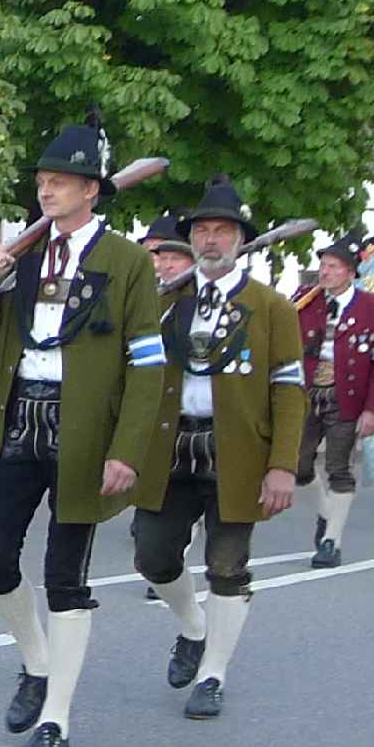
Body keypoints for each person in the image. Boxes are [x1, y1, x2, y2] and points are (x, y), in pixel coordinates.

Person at [0, 114, 164, 747]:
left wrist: (126, 450)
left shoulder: (127, 262)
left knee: (64, 578)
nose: (46, 191)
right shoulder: (24, 254)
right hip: (20, 418)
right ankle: (36, 662)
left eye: (61, 182)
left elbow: (148, 364)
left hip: (86, 428)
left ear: (91, 190)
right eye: (43, 181)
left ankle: (56, 720)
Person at [125, 180, 304, 719]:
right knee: (152, 556)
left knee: (227, 565)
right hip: (170, 445)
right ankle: (193, 627)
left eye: (222, 231)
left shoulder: (271, 307)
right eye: (202, 231)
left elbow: (288, 389)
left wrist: (282, 466)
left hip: (239, 451)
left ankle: (213, 674)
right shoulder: (165, 301)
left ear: (240, 240)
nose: (211, 240)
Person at [294, 237, 374, 567]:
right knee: (298, 466)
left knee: (339, 467)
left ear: (350, 273)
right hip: (307, 393)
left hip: (347, 396)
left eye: (333, 266)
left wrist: (373, 410)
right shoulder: (306, 301)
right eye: (323, 265)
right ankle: (327, 513)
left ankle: (331, 541)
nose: (325, 272)